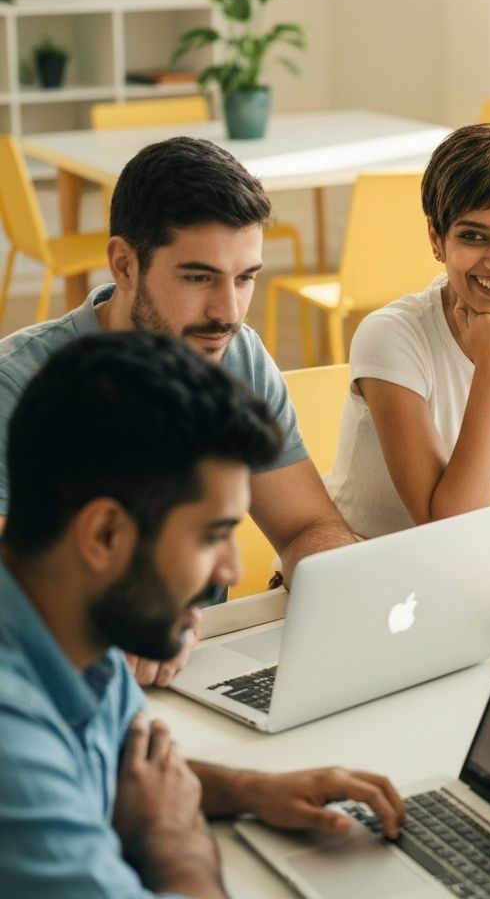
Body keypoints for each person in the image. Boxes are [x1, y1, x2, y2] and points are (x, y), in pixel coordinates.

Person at [0, 332, 404, 898]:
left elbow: (126, 769)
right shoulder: (12, 743)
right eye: (212, 536)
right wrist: (172, 839)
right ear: (105, 533)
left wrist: (252, 791)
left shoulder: (72, 623)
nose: (233, 569)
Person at [0, 136, 358, 685]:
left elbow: (306, 525)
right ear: (124, 265)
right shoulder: (18, 385)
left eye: (245, 278)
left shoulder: (236, 356)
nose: (228, 312)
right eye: (198, 277)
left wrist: (343, 583)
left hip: (198, 665)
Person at [325, 123, 490, 552]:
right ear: (436, 240)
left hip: (462, 570)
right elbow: (448, 532)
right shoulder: (390, 336)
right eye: (473, 236)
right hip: (358, 563)